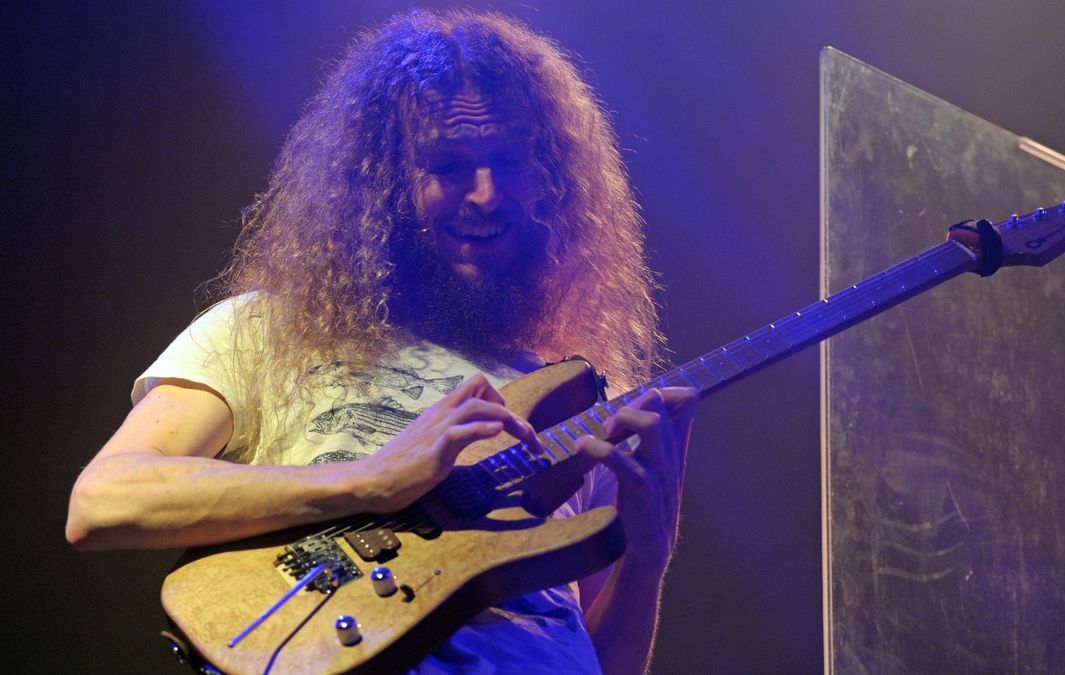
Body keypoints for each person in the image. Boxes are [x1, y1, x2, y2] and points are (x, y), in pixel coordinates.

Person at [65, 9, 698, 674]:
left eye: (508, 160)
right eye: (448, 165)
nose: (484, 194)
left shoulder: (581, 403)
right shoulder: (266, 329)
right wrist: (370, 479)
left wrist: (649, 558)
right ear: (386, 186)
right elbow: (105, 500)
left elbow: (606, 660)